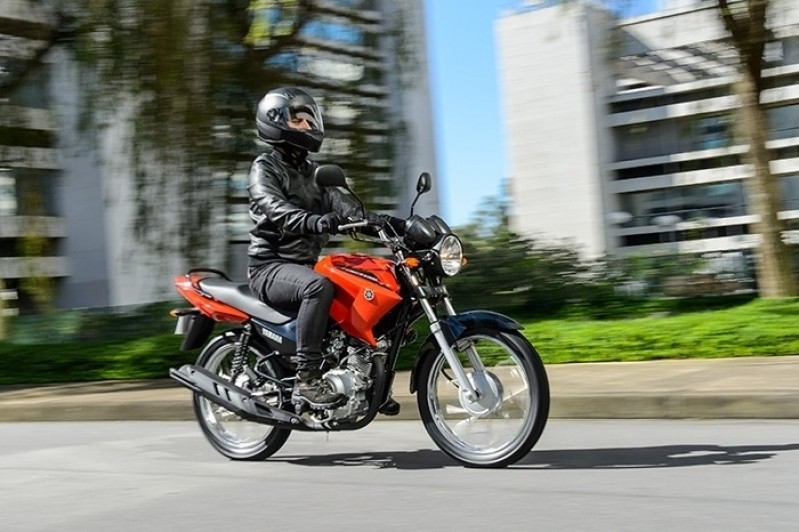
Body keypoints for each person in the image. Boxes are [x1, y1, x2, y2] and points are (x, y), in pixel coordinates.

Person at [247, 87, 402, 411]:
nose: (307, 125)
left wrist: (397, 225)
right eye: (298, 119)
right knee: (318, 286)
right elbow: (276, 210)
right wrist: (317, 221)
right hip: (270, 266)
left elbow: (350, 210)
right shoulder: (265, 168)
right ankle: (307, 379)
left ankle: (370, 378)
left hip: (304, 264)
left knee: (367, 281)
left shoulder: (315, 173)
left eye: (309, 119)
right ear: (276, 121)